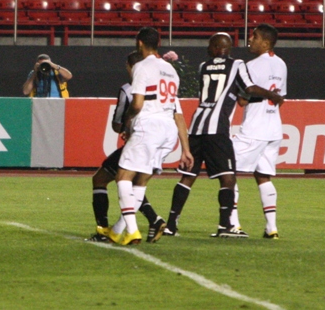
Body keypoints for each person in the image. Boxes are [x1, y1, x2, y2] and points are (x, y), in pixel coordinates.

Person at [163, 33, 284, 239]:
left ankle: (171, 225)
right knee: (228, 177)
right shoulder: (237, 64)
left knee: (188, 176)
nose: (208, 49)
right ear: (226, 48)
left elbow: (216, 92)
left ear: (216, 47)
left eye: (210, 45)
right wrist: (273, 95)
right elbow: (249, 88)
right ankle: (225, 226)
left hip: (197, 125)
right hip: (218, 129)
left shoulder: (203, 66)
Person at [105, 27, 193, 245]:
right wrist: (186, 149)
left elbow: (137, 103)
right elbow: (178, 113)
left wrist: (127, 121)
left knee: (123, 177)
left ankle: (133, 230)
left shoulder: (142, 67)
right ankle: (118, 230)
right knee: (140, 182)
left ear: (140, 43)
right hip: (168, 131)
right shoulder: (171, 70)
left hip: (149, 125)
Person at [88, 50, 170, 244]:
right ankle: (153, 220)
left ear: (131, 67)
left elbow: (117, 124)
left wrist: (125, 124)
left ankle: (104, 230)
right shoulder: (161, 85)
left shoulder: (127, 89)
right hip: (162, 138)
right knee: (136, 183)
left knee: (103, 180)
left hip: (138, 141)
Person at [230, 24, 287, 240]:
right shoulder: (281, 64)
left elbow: (244, 99)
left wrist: (241, 97)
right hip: (274, 129)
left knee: (228, 170)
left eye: (254, 37)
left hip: (254, 129)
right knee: (263, 176)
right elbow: (279, 95)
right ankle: (271, 227)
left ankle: (233, 224)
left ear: (265, 42)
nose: (250, 40)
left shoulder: (251, 66)